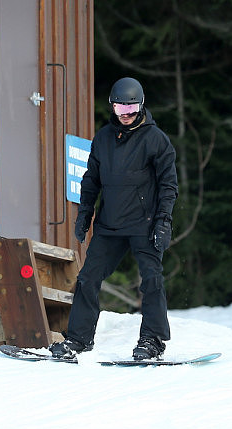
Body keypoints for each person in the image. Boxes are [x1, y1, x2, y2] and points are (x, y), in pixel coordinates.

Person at [50, 77, 178, 360]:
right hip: (109, 224)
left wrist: (163, 221)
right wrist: (85, 215)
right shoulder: (104, 138)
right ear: (113, 107)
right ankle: (78, 339)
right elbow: (91, 180)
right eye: (120, 109)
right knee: (87, 278)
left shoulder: (156, 140)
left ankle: (152, 340)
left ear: (141, 106)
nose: (125, 115)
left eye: (131, 110)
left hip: (144, 224)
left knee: (151, 280)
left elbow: (169, 186)